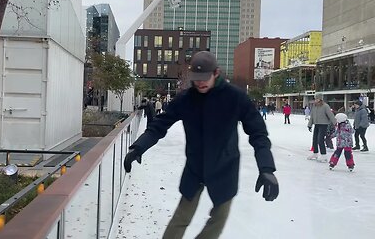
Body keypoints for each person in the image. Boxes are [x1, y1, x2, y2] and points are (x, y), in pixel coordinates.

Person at [123, 51, 279, 239]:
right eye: (196, 78)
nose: (200, 83)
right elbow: (159, 125)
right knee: (181, 217)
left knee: (218, 219)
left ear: (216, 73)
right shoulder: (186, 99)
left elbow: (258, 134)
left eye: (205, 78)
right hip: (195, 167)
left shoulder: (235, 98)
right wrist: (139, 147)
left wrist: (266, 168)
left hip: (224, 168)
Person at [307, 93, 337, 162]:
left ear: (320, 99)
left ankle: (324, 155)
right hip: (316, 124)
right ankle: (315, 153)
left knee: (320, 139)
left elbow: (330, 115)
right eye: (315, 99)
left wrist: (335, 123)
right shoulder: (314, 106)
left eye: (317, 98)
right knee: (314, 139)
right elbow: (312, 116)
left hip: (324, 124)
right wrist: (310, 125)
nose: (316, 100)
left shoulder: (325, 106)